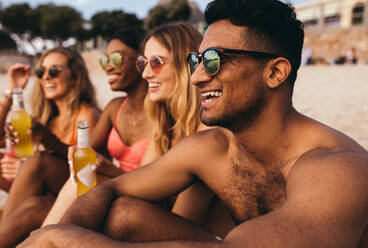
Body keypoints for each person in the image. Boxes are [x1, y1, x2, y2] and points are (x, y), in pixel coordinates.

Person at [19, 0, 368, 247]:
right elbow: (109, 189)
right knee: (121, 214)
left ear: (276, 72)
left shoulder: (339, 169)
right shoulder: (211, 149)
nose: (198, 76)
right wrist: (62, 234)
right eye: (196, 60)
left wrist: (68, 241)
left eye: (215, 60)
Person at [44, 22, 233, 237]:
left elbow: (182, 218)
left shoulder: (207, 131)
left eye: (157, 62)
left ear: (185, 65)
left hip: (209, 239)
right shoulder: (166, 124)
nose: (146, 74)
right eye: (144, 63)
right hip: (171, 225)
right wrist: (106, 169)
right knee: (87, 183)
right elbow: (145, 186)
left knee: (121, 213)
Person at [41, 27, 153, 226]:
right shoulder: (114, 108)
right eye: (105, 60)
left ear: (142, 60)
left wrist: (108, 169)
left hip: (143, 202)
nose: (108, 67)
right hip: (117, 191)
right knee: (36, 204)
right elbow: (86, 156)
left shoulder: (161, 114)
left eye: (117, 59)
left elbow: (154, 185)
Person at [0, 47, 100, 247]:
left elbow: (87, 165)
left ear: (75, 76)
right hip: (45, 197)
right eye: (41, 72)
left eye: (54, 71)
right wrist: (11, 92)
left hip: (82, 196)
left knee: (39, 164)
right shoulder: (47, 119)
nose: (46, 77)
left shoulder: (87, 114)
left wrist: (32, 163)